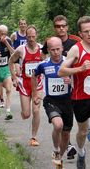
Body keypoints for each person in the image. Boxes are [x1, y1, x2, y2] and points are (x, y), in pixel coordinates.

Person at [58, 16, 90, 169]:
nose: (89, 34)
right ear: (80, 34)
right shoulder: (76, 49)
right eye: (86, 32)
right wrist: (79, 69)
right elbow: (61, 71)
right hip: (80, 98)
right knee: (82, 131)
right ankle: (81, 151)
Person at [32, 36, 73, 168]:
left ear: (62, 48)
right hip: (51, 100)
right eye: (52, 50)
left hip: (67, 101)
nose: (56, 52)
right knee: (58, 125)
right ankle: (56, 150)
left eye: (58, 49)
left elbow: (79, 77)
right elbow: (34, 75)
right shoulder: (43, 64)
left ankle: (59, 156)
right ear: (48, 50)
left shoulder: (69, 62)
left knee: (66, 134)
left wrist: (71, 81)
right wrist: (35, 94)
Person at [9, 25, 44, 146]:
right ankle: (24, 113)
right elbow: (10, 61)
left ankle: (33, 137)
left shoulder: (42, 49)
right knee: (26, 114)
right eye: (29, 37)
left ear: (36, 36)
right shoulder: (21, 49)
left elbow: (45, 64)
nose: (31, 39)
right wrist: (14, 77)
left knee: (36, 110)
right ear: (26, 37)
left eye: (33, 36)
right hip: (25, 84)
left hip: (37, 84)